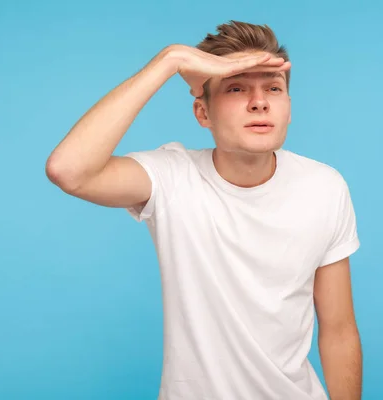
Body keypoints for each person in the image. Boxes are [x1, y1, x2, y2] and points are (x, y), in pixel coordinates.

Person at [46, 20, 362, 400]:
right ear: (203, 114)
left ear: (289, 108)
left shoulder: (324, 187)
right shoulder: (171, 177)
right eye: (236, 87)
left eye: (273, 88)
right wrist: (169, 60)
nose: (259, 101)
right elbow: (69, 171)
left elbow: (339, 328)